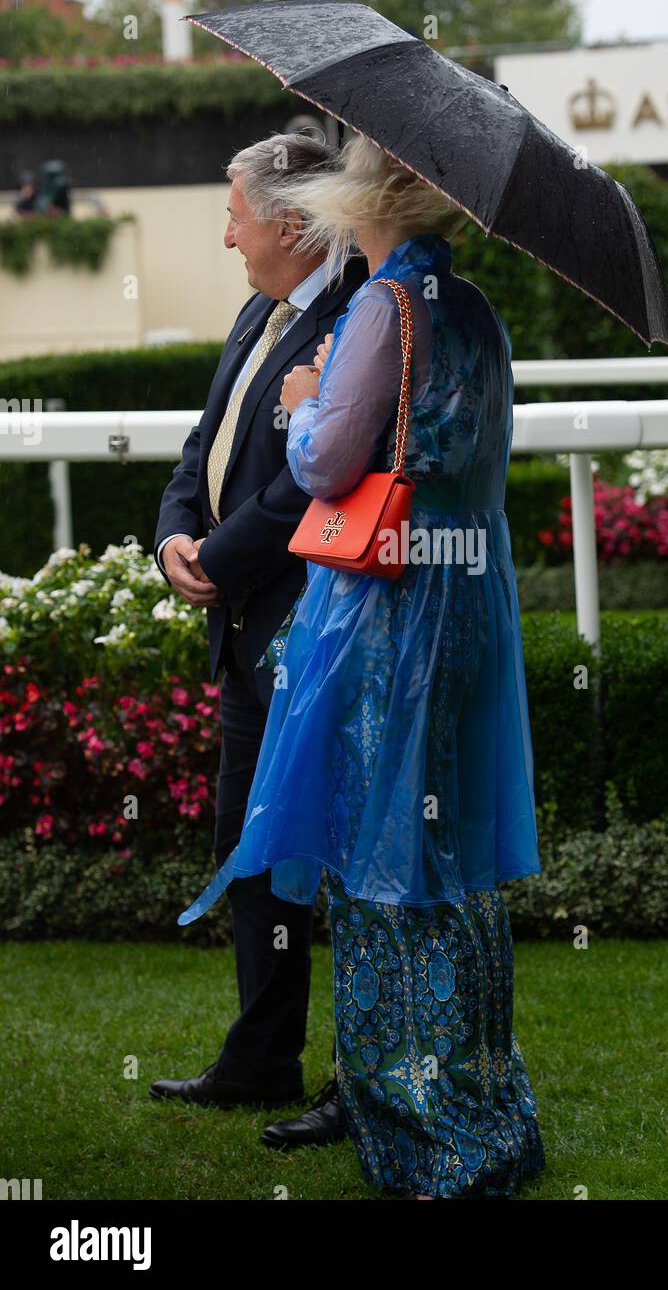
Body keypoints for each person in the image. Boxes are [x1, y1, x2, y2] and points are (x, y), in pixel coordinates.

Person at [179, 132, 545, 1198]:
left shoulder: (385, 307)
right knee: (451, 860)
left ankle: (420, 1127)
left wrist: (304, 403)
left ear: (359, 199)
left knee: (380, 859)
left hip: (388, 613)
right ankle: (483, 1108)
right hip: (469, 594)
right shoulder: (471, 306)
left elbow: (326, 462)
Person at [152, 132, 368, 1112]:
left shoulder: (361, 311)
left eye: (234, 212)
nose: (225, 231)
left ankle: (353, 1076)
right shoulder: (259, 306)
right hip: (244, 632)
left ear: (289, 222)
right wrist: (173, 540)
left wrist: (220, 558)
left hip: (308, 631)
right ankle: (261, 1059)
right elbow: (204, 445)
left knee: (322, 858)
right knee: (250, 849)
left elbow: (307, 487)